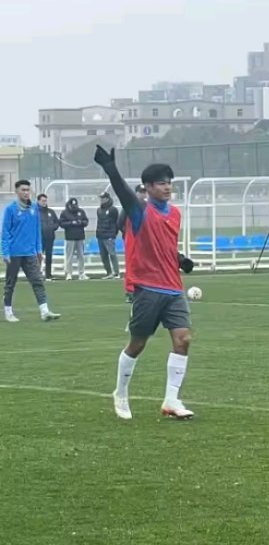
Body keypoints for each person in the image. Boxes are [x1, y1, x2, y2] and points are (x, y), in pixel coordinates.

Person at [94, 145, 196, 420]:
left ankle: (171, 401)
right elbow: (124, 194)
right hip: (147, 288)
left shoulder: (174, 213)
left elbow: (162, 244)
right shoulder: (139, 211)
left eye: (169, 183)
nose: (167, 188)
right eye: (161, 183)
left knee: (183, 339)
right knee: (138, 344)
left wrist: (179, 258)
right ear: (148, 187)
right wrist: (110, 168)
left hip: (173, 288)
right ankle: (121, 393)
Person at [2, 180, 61, 323]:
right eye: (23, 190)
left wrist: (38, 250)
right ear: (16, 191)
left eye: (28, 190)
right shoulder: (10, 209)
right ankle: (8, 312)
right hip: (15, 253)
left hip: (30, 253)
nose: (26, 192)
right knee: (11, 283)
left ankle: (44, 311)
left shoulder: (34, 208)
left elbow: (36, 231)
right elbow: (5, 232)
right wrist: (5, 252)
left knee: (37, 281)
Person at [119, 184, 148, 304]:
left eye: (144, 192)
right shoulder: (130, 205)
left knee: (144, 265)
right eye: (140, 192)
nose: (142, 194)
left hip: (144, 239)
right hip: (132, 238)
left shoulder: (148, 206)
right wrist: (126, 234)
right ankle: (130, 291)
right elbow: (120, 222)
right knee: (131, 264)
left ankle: (144, 289)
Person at [59, 197, 89, 280]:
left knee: (81, 256)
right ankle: (68, 273)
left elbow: (86, 221)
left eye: (75, 205)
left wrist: (81, 222)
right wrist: (71, 223)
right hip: (69, 237)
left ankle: (81, 273)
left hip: (80, 237)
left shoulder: (81, 212)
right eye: (73, 205)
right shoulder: (65, 213)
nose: (74, 207)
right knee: (69, 256)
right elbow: (61, 223)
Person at [96, 191, 121, 279]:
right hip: (100, 235)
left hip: (109, 235)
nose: (101, 200)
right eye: (101, 198)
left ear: (107, 198)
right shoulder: (99, 210)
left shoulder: (113, 209)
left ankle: (116, 272)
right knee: (103, 255)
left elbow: (117, 222)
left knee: (112, 254)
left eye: (103, 198)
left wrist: (114, 233)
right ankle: (108, 272)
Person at [36, 193, 59, 281]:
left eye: (45, 200)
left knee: (49, 256)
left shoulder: (51, 212)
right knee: (38, 257)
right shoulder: (35, 212)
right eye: (43, 201)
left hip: (50, 237)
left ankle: (48, 274)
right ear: (38, 201)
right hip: (39, 238)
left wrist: (52, 227)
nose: (44, 202)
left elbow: (57, 222)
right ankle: (37, 275)